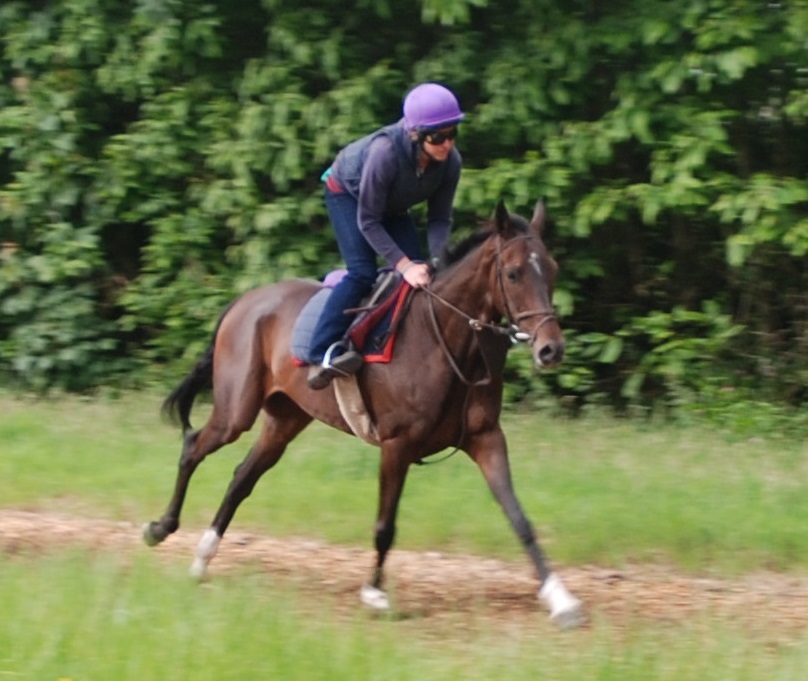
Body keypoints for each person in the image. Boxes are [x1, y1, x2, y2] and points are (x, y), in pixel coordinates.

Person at [306, 82, 465, 390]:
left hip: (390, 205)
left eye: (452, 133)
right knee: (363, 272)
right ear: (416, 135)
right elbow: (367, 220)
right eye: (437, 137)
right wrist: (404, 265)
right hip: (348, 196)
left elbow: (440, 218)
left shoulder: (451, 163)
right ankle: (322, 350)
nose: (446, 144)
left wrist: (437, 259)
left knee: (423, 274)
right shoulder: (385, 154)